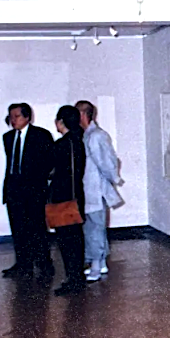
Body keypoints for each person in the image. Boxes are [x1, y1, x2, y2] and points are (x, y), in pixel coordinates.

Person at [1, 102, 55, 283]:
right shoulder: (8, 137)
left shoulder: (41, 135)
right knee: (18, 229)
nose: (13, 120)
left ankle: (44, 263)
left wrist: (37, 180)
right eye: (11, 117)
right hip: (14, 189)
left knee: (37, 228)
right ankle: (23, 264)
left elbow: (49, 161)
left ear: (27, 117)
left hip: (34, 190)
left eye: (16, 116)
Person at [75, 100, 122, 282]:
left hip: (95, 188)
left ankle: (96, 263)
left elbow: (107, 161)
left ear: (83, 114)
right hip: (88, 188)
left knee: (95, 226)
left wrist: (113, 179)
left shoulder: (97, 136)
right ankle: (99, 262)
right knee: (92, 226)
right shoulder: (85, 135)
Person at [48, 105, 86, 296]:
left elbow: (50, 169)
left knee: (66, 242)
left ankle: (73, 279)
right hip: (76, 195)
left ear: (61, 122)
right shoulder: (78, 141)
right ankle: (76, 277)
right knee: (76, 240)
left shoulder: (62, 144)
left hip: (63, 198)